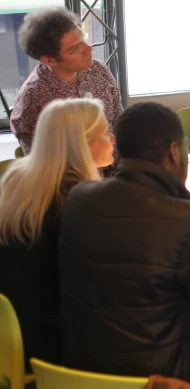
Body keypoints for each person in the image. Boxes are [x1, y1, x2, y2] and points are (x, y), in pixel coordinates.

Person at [58, 102, 190, 389]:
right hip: (169, 378)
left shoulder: (78, 199)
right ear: (174, 151)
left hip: (84, 373)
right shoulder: (188, 221)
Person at [0, 98, 113, 373]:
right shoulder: (79, 199)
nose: (113, 139)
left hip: (8, 333)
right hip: (51, 348)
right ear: (82, 144)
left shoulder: (17, 179)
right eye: (105, 133)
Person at [10, 8, 123, 163]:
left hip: (117, 170)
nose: (88, 49)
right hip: (75, 182)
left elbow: (118, 121)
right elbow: (44, 167)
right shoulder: (32, 100)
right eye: (75, 48)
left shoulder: (98, 70)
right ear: (50, 60)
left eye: (83, 40)